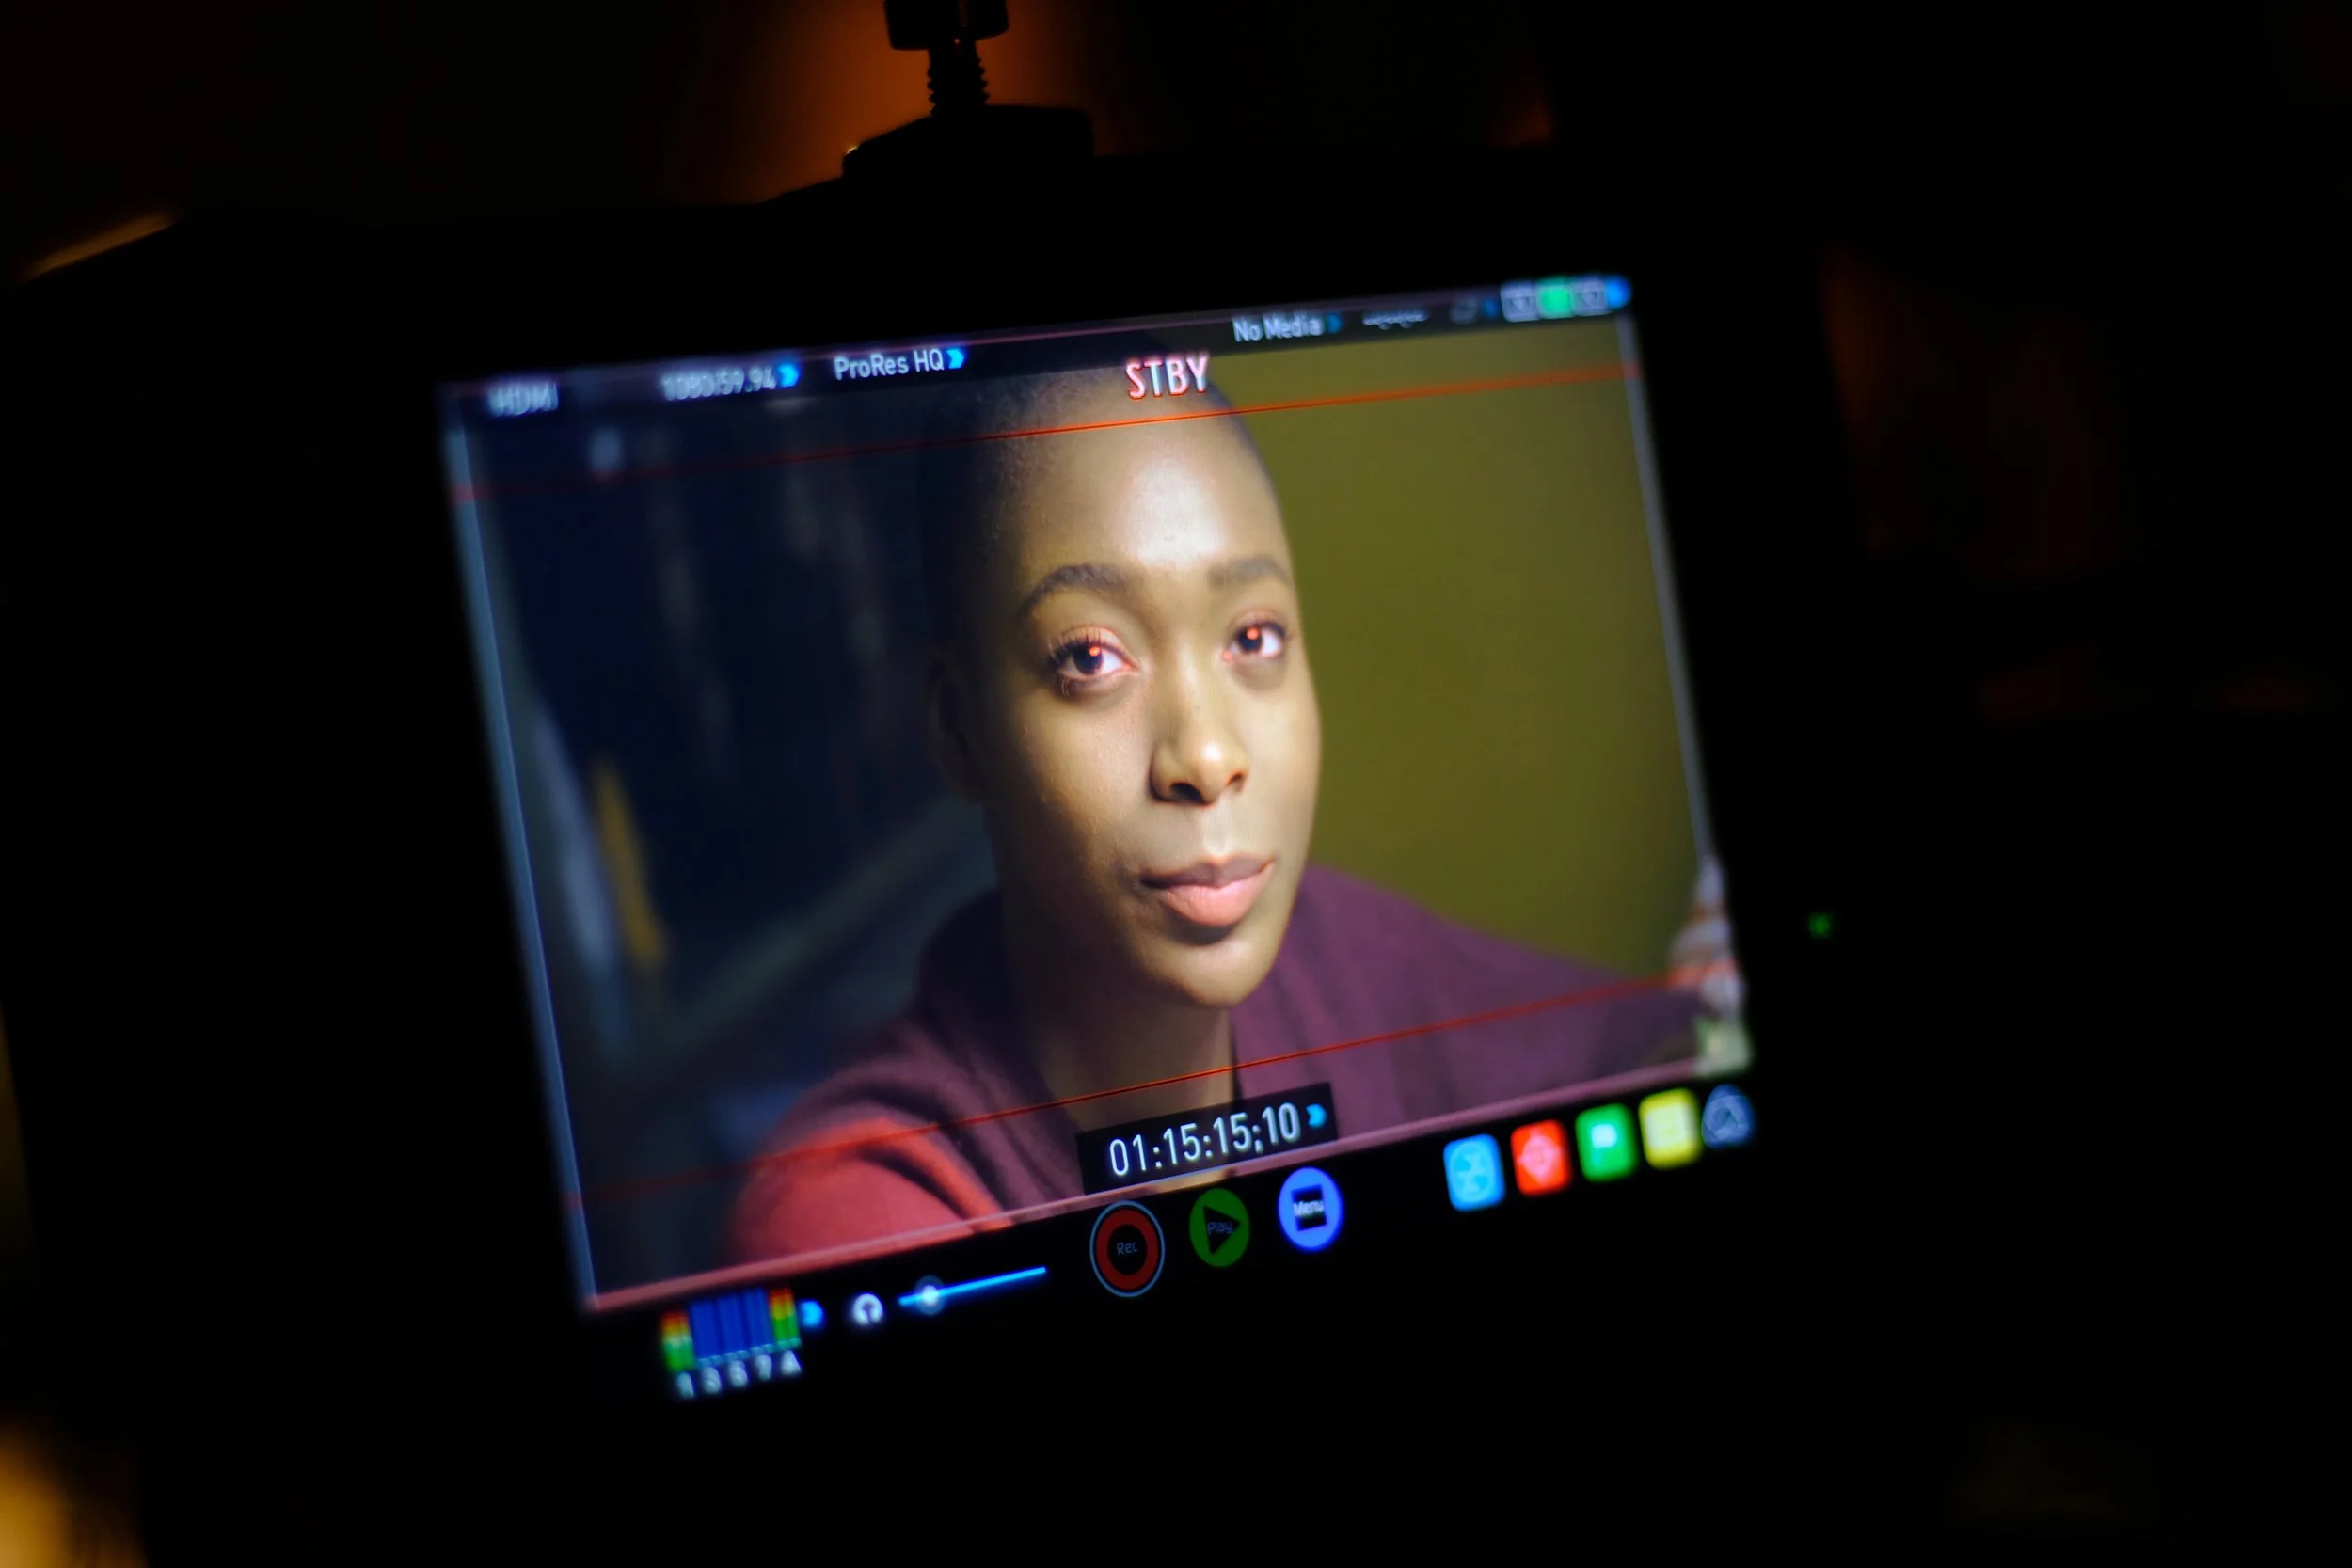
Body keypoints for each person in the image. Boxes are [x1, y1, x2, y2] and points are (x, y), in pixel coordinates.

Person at [730, 354, 1715, 1265]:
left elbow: (1651, 1045)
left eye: (1253, 637)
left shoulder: (1333, 960)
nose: (1206, 757)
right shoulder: (866, 1209)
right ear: (958, 729)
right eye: (1090, 657)